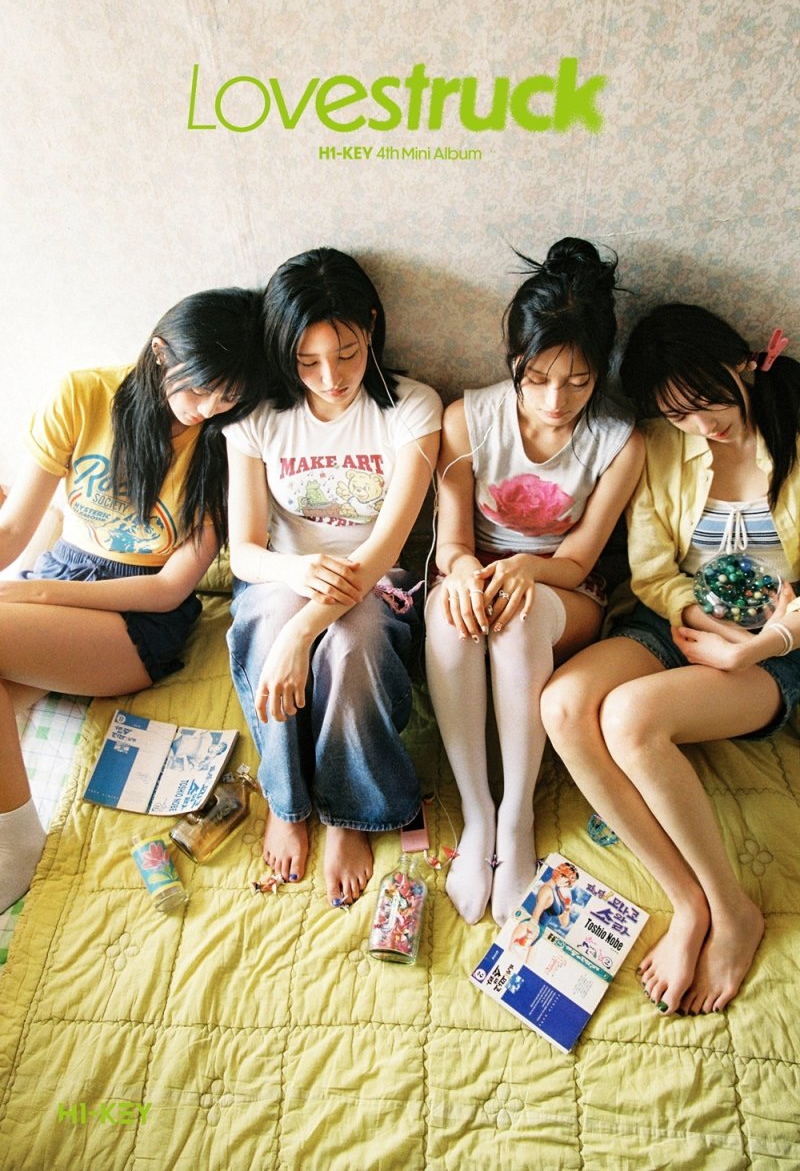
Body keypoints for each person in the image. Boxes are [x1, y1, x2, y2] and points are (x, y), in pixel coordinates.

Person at [541, 303, 800, 1016]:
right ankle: (688, 901)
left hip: (775, 650)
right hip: (675, 623)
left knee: (631, 718)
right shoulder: (660, 444)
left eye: (711, 402)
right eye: (679, 414)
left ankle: (732, 908)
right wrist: (696, 620)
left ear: (743, 364)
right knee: (563, 705)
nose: (702, 425)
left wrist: (758, 644)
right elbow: (653, 571)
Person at [0, 286, 268, 912]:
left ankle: (16, 849)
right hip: (64, 573)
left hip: (139, 615)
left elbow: (170, 587)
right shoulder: (82, 395)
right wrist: (37, 585)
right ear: (160, 353)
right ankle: (15, 838)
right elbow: (12, 530)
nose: (208, 409)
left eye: (228, 396)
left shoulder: (225, 441)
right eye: (200, 388)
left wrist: (36, 591)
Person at [424, 238, 644, 926]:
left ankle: (516, 818)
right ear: (514, 357)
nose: (555, 400)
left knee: (517, 617)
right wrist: (468, 574)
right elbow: (453, 544)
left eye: (578, 382)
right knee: (452, 615)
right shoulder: (466, 419)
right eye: (538, 377)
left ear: (600, 370)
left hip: (565, 593)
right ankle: (478, 815)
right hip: (476, 571)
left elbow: (578, 561)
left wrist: (526, 569)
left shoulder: (619, 441)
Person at [224, 248, 441, 907]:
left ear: (371, 325)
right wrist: (296, 577)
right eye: (307, 360)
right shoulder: (257, 417)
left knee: (353, 642)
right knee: (268, 620)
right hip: (281, 576)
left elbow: (383, 548)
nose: (331, 377)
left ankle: (350, 811)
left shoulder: (411, 408)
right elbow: (243, 551)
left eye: (346, 354)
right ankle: (287, 799)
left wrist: (306, 632)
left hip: (374, 581)